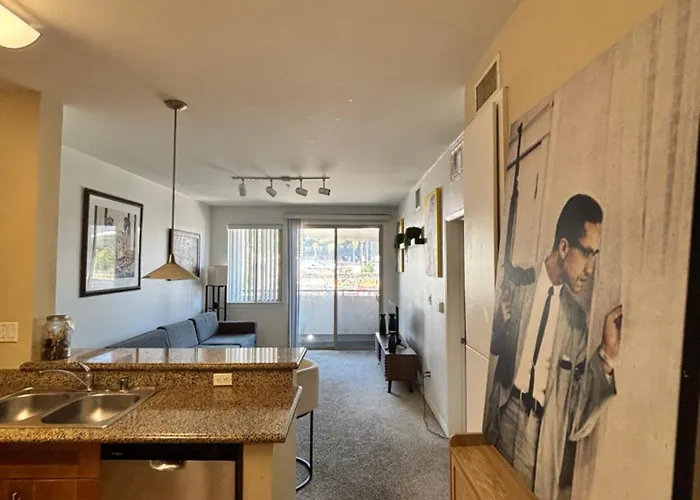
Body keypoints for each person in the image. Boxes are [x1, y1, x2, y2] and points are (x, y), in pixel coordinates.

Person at [484, 194, 623, 499]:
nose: (590, 268)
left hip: (540, 437)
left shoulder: (576, 323)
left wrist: (606, 357)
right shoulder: (518, 284)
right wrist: (498, 321)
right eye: (586, 254)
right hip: (502, 414)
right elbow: (493, 346)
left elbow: (576, 415)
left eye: (595, 256)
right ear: (563, 247)